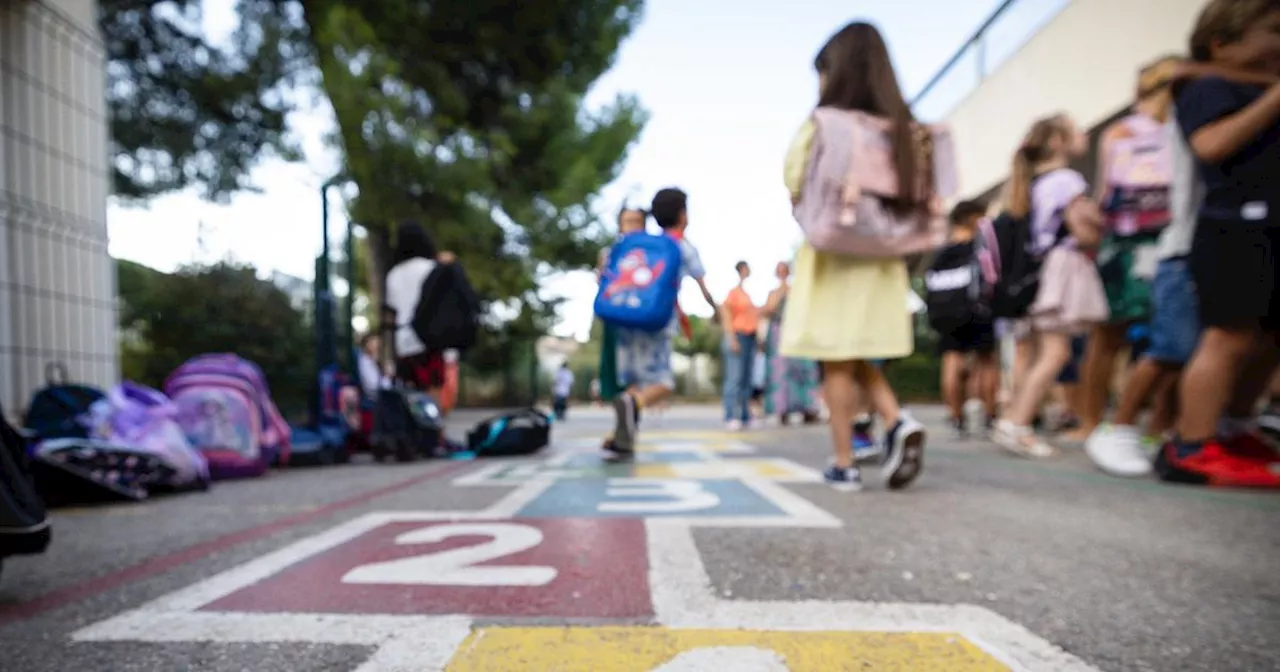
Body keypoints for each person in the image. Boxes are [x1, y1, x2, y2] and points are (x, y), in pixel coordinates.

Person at [782, 22, 933, 491]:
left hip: (834, 253)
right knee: (855, 353)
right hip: (883, 255)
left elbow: (793, 177)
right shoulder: (906, 132)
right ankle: (894, 420)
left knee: (836, 358)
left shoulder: (825, 123)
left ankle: (844, 462)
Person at [1158, 0, 1280, 487]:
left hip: (1267, 224)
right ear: (1223, 42)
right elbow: (1210, 145)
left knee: (1264, 337)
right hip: (1233, 224)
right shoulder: (1206, 86)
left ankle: (1232, 428)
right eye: (1272, 30)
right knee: (1227, 336)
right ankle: (1193, 441)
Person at [1069, 57, 1182, 442]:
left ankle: (1160, 424)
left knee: (1171, 333)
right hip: (1130, 242)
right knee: (1108, 337)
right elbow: (1109, 193)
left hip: (1170, 238)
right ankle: (1092, 421)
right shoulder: (1126, 132)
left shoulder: (1179, 127)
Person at [992, 114, 1108, 458]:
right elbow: (1084, 230)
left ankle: (1013, 419)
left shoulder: (1032, 184)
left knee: (1037, 354)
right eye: (1075, 129)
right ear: (1058, 141)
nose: (1083, 133)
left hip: (1040, 273)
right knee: (1056, 352)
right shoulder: (1066, 181)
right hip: (1061, 269)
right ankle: (1018, 423)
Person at [608, 188, 719, 455]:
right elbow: (703, 287)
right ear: (683, 215)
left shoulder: (644, 244)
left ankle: (622, 438)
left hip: (626, 319)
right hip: (657, 321)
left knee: (634, 384)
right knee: (661, 384)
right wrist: (716, 310)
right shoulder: (683, 247)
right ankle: (630, 411)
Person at [925, 200, 999, 438]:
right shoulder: (979, 247)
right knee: (986, 362)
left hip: (947, 314)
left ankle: (955, 417)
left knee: (951, 362)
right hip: (977, 310)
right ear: (972, 218)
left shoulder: (940, 252)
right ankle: (990, 416)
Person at [384, 221, 456, 399]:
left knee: (411, 399)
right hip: (430, 341)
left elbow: (392, 312)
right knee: (434, 399)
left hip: (405, 344)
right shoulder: (432, 269)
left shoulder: (393, 274)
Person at [597, 207, 650, 405]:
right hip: (617, 317)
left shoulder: (650, 252)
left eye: (637, 221)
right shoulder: (610, 252)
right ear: (620, 226)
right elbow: (603, 285)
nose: (633, 226)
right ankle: (625, 413)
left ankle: (630, 412)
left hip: (642, 317)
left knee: (640, 372)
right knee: (619, 372)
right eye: (628, 221)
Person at [761, 261, 821, 425]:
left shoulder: (796, 290)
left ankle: (807, 408)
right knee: (780, 373)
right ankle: (782, 409)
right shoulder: (774, 292)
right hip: (779, 334)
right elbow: (767, 310)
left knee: (803, 370)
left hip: (797, 333)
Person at [721, 261, 761, 430]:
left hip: (750, 337)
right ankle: (730, 415)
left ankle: (745, 415)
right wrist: (731, 338)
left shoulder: (749, 294)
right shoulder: (734, 293)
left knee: (746, 379)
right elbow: (726, 315)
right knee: (734, 378)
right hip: (737, 335)